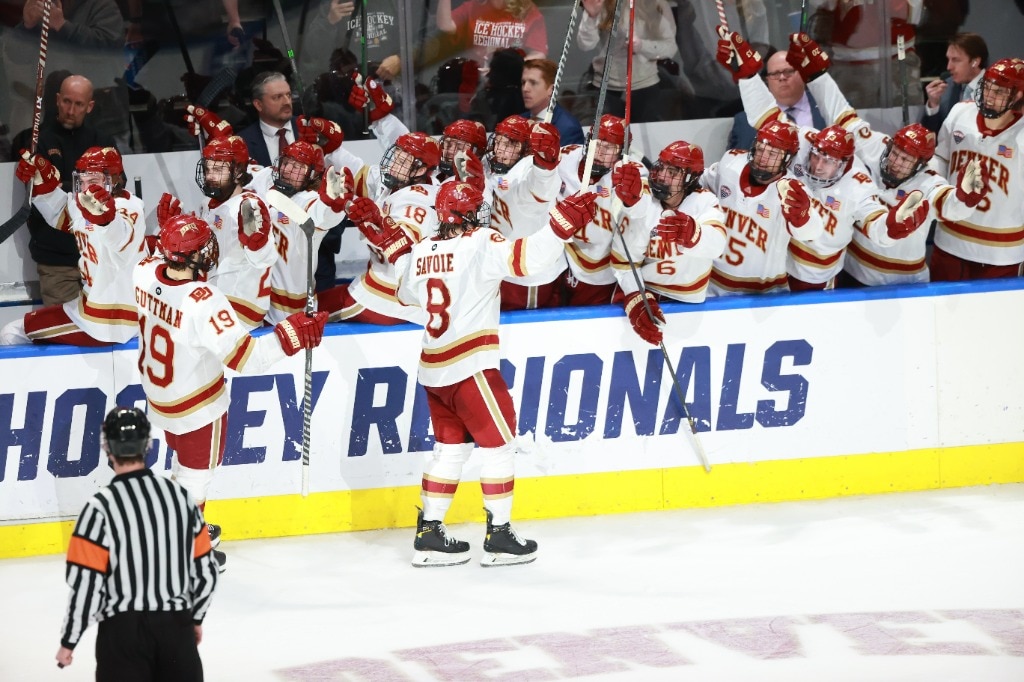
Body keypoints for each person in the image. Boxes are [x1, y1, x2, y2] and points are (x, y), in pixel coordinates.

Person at [349, 181, 597, 566]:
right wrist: (559, 228)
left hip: (434, 370)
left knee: (450, 451)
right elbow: (529, 260)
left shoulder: (422, 250)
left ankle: (429, 535)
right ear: (466, 214)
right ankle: (499, 536)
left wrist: (395, 248)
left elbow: (407, 293)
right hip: (471, 368)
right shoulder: (481, 242)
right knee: (499, 448)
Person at [134, 214, 328, 570]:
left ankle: (184, 526)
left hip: (159, 399)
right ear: (194, 257)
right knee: (195, 477)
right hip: (196, 405)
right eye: (203, 248)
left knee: (183, 467)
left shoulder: (144, 272)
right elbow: (246, 359)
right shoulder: (204, 299)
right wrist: (293, 334)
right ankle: (189, 552)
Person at [717, 29, 930, 292]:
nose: (817, 166)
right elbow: (769, 120)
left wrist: (892, 227)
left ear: (845, 165)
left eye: (828, 162)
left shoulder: (859, 184)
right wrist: (748, 76)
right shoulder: (808, 142)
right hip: (779, 265)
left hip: (817, 278)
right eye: (816, 157)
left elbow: (875, 225)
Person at [790, 33, 990, 287]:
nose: (896, 161)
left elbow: (950, 206)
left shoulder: (928, 182)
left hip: (903, 282)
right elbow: (842, 115)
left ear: (920, 165)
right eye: (896, 152)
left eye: (906, 159)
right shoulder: (877, 145)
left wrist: (965, 198)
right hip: (853, 269)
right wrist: (817, 76)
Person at [56, 406, 219, 679]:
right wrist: (194, 619)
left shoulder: (99, 509)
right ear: (148, 446)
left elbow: (85, 586)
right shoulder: (179, 498)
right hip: (175, 630)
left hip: (122, 637)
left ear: (107, 449)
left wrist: (69, 641)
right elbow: (207, 573)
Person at [1, 146, 145, 346]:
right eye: (81, 181)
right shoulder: (86, 202)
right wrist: (42, 185)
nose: (85, 188)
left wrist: (106, 221)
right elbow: (62, 213)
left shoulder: (128, 207)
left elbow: (120, 237)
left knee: (12, 333)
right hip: (90, 307)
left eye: (93, 181)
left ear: (114, 179)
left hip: (112, 317)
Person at [157, 132, 278, 329]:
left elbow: (264, 260)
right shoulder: (208, 204)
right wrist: (176, 236)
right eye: (208, 168)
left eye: (218, 169)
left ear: (238, 172)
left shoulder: (249, 206)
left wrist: (258, 244)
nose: (210, 176)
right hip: (214, 302)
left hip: (239, 310)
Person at [20, 75, 116, 306]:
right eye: (66, 101)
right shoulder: (36, 141)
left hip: (99, 257)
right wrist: (87, 187)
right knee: (62, 326)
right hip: (56, 262)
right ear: (57, 100)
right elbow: (39, 194)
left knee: (101, 326)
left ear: (89, 106)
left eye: (79, 104)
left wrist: (61, 186)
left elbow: (114, 190)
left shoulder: (103, 141)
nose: (71, 110)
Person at [702, 117, 824, 295]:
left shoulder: (794, 192)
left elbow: (812, 233)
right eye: (760, 149)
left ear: (787, 159)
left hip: (765, 294)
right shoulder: (731, 162)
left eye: (772, 154)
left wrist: (802, 216)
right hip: (714, 287)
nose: (763, 158)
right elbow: (702, 182)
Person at [931, 57, 1024, 281]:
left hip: (1001, 254)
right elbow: (940, 159)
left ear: (1018, 95)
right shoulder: (960, 112)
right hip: (949, 241)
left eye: (999, 92)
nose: (990, 96)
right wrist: (934, 191)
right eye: (988, 87)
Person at [555, 114, 652, 307]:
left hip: (599, 273)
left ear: (622, 152)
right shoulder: (565, 157)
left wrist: (633, 199)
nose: (599, 151)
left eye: (609, 148)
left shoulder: (631, 172)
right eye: (597, 143)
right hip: (559, 261)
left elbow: (643, 211)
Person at [634, 141, 726, 304]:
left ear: (690, 179)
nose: (662, 176)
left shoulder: (704, 201)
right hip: (644, 292)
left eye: (672, 172)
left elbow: (717, 244)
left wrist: (693, 234)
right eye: (661, 168)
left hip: (684, 301)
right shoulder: (646, 196)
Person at [806, 0, 923, 109]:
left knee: (907, 118)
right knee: (847, 119)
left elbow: (910, 13)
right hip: (846, 64)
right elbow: (821, 4)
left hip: (898, 60)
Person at [577, 0, 677, 123]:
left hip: (645, 86)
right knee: (607, 134)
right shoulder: (601, 2)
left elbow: (670, 48)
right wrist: (591, 16)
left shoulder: (656, 3)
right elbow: (585, 45)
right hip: (606, 87)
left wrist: (642, 46)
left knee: (643, 133)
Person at [727, 50, 827, 151]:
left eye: (788, 71)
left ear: (802, 73)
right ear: (767, 80)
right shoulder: (744, 121)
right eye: (775, 74)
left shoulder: (828, 105)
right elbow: (735, 159)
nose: (782, 77)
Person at [435, 0, 548, 65]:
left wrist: (510, 68)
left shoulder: (527, 10)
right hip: (476, 81)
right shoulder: (473, 6)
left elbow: (538, 53)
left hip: (511, 83)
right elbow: (445, 26)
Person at [920, 32, 989, 133]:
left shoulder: (997, 89)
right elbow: (929, 135)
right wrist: (933, 104)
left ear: (975, 62)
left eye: (955, 60)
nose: (949, 67)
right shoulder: (946, 87)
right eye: (948, 60)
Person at [238, 72, 299, 168]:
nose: (287, 102)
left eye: (288, 95)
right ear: (259, 105)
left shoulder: (310, 128)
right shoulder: (242, 143)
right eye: (277, 97)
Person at [520, 57, 585, 145]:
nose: (525, 89)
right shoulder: (520, 120)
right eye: (523, 82)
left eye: (533, 83)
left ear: (551, 89)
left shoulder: (568, 128)